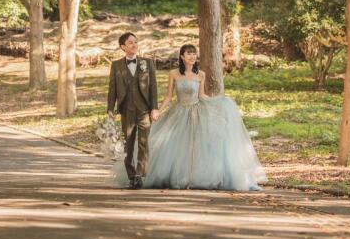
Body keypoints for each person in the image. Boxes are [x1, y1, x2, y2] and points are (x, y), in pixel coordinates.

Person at [113, 44, 266, 191]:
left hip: (196, 113)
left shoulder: (201, 74)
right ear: (182, 56)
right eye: (189, 53)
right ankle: (167, 176)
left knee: (195, 145)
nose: (192, 56)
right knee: (174, 145)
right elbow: (168, 97)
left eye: (194, 53)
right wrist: (157, 111)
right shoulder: (174, 73)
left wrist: (218, 102)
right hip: (178, 112)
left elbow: (202, 96)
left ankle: (192, 177)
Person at [107, 32, 159, 189]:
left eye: (136, 42)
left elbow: (153, 87)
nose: (134, 45)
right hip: (126, 110)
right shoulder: (116, 65)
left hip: (144, 109)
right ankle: (131, 175)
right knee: (128, 144)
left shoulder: (147, 63)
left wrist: (154, 108)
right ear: (123, 47)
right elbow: (112, 88)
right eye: (130, 43)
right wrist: (110, 109)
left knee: (144, 143)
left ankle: (139, 175)